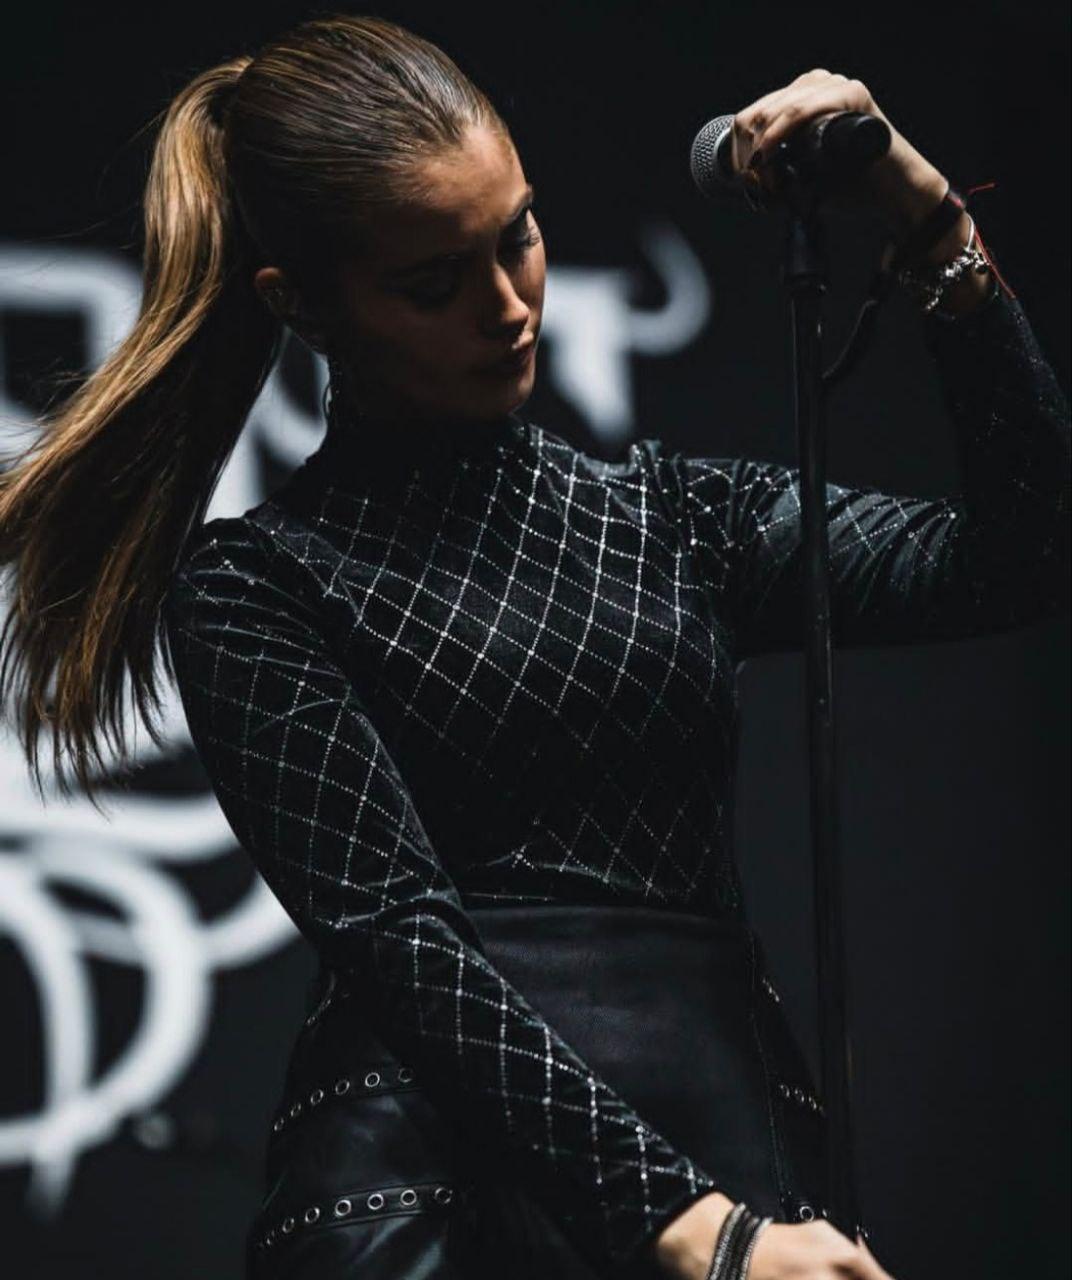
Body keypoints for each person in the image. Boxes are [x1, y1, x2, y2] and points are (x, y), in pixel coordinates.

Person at [0, 13, 1067, 1280]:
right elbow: (402, 943)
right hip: (438, 1207)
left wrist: (926, 218)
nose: (507, 306)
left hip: (728, 1168)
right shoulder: (258, 587)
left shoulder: (674, 520)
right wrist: (695, 1228)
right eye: (433, 283)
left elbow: (1025, 553)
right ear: (303, 306)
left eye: (518, 236)